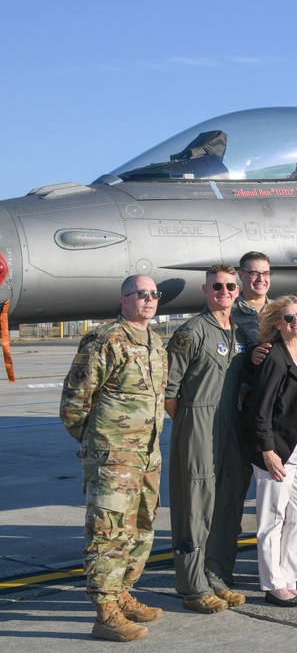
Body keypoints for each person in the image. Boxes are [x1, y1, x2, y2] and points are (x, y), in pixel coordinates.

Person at [59, 275, 167, 642]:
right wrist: (99, 446)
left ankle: (122, 592)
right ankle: (105, 612)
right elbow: (74, 404)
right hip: (113, 457)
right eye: (142, 294)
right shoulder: (105, 340)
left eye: (154, 294)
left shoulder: (155, 342)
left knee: (140, 527)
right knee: (108, 531)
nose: (149, 300)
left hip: (147, 455)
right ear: (124, 299)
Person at [165, 264, 249, 614]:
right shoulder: (191, 331)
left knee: (226, 505)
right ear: (205, 289)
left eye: (230, 286)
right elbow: (169, 392)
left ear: (238, 290)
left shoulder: (240, 332)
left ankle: (216, 574)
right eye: (217, 286)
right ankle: (192, 585)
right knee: (194, 508)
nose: (224, 292)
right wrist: (191, 423)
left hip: (231, 428)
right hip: (198, 427)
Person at [249, 296, 297, 607]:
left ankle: (290, 580)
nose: (296, 322)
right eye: (289, 318)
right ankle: (273, 584)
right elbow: (260, 410)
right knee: (272, 520)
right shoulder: (275, 357)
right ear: (278, 324)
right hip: (278, 452)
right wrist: (267, 451)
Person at [233, 251, 271, 520]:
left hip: (273, 417)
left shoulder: (282, 312)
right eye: (254, 273)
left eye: (266, 273)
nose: (261, 279)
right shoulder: (229, 312)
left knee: (273, 492)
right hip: (240, 414)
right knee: (234, 489)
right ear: (241, 276)